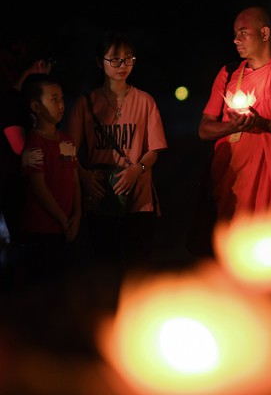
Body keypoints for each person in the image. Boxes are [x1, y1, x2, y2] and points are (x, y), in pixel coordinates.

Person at [198, 6, 271, 226]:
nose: (236, 40)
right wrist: (235, 127)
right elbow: (204, 130)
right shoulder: (228, 75)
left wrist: (262, 123)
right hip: (233, 185)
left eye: (243, 33)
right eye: (235, 34)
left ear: (264, 33)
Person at [67, 31, 167, 283]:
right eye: (115, 59)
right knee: (105, 270)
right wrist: (84, 176)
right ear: (99, 62)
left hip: (138, 200)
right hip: (101, 196)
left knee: (138, 272)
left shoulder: (145, 101)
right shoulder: (85, 104)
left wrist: (138, 169)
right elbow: (68, 150)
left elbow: (154, 149)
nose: (123, 66)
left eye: (128, 59)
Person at [0, 36, 54, 298]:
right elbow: (19, 147)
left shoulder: (17, 100)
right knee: (18, 250)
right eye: (44, 64)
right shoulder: (11, 101)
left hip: (19, 186)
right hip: (12, 186)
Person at [18, 73, 80, 289]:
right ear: (36, 106)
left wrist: (78, 214)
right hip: (42, 230)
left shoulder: (67, 140)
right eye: (54, 99)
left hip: (66, 227)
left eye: (62, 98)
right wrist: (64, 220)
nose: (61, 104)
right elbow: (39, 188)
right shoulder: (34, 144)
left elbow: (74, 180)